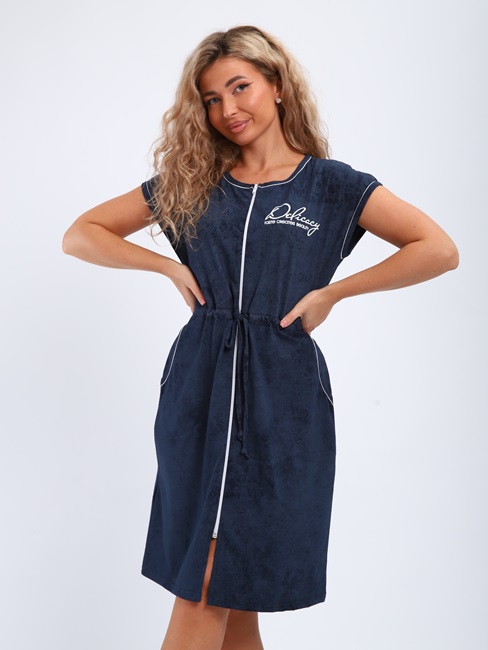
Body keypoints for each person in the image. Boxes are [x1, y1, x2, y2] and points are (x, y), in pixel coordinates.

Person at [62, 24, 459, 650]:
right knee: (210, 579)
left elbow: (437, 248)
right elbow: (81, 233)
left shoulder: (333, 186)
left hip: (285, 397)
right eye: (211, 98)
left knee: (234, 583)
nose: (227, 108)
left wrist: (334, 293)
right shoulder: (193, 181)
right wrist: (165, 265)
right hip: (198, 388)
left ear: (276, 84)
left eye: (239, 87)